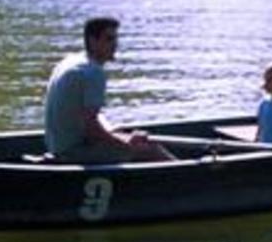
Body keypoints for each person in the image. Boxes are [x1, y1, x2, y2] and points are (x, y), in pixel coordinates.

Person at [43, 17, 174, 163]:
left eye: (115, 39)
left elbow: (89, 118)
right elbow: (92, 131)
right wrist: (126, 143)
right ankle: (186, 176)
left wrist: (116, 134)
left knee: (136, 141)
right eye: (109, 39)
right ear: (93, 41)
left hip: (57, 147)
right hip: (74, 152)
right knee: (150, 149)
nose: (115, 45)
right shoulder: (92, 73)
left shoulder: (70, 62)